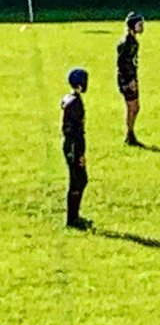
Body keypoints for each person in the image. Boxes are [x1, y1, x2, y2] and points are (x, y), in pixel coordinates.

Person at [62, 68, 90, 229]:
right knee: (78, 180)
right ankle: (72, 219)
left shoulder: (70, 98)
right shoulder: (76, 103)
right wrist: (79, 153)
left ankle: (74, 215)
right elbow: (75, 132)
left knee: (80, 179)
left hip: (71, 145)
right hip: (74, 146)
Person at [117, 12, 145, 147]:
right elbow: (122, 64)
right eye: (140, 24)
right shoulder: (126, 43)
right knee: (132, 106)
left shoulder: (133, 41)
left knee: (135, 107)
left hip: (131, 78)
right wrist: (129, 80)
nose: (142, 27)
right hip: (126, 79)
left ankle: (130, 132)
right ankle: (129, 134)